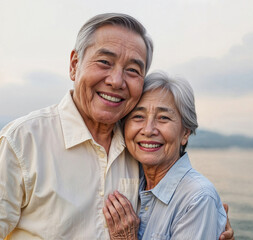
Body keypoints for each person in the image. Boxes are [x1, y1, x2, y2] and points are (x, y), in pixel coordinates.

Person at [0, 13, 234, 239]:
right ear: (74, 65)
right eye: (104, 62)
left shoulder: (138, 149)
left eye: (132, 70)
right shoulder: (23, 141)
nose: (116, 81)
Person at [103, 71, 227, 239]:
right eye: (138, 116)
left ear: (185, 133)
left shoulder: (198, 199)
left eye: (163, 118)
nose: (148, 130)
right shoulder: (130, 177)